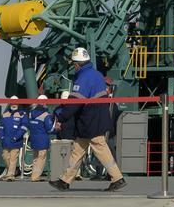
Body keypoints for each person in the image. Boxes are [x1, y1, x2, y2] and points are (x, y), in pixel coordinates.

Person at [50, 47, 126, 192]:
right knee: (77, 150)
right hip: (94, 119)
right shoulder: (96, 74)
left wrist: (61, 116)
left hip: (91, 121)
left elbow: (75, 101)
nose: (73, 66)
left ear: (77, 64)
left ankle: (117, 178)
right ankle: (65, 181)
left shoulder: (83, 78)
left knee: (100, 148)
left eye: (74, 63)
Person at [0, 98, 27, 181]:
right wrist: (2, 136)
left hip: (16, 141)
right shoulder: (5, 114)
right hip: (6, 141)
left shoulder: (22, 114)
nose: (14, 105)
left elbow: (24, 126)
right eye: (12, 103)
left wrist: (17, 137)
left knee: (13, 158)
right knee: (5, 157)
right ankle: (11, 171)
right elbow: (0, 127)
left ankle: (10, 175)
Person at [26, 97, 54, 182]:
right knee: (41, 159)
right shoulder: (46, 115)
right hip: (43, 140)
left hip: (34, 139)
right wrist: (57, 129)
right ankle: (36, 176)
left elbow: (29, 125)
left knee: (35, 158)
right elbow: (49, 129)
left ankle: (33, 175)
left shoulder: (31, 114)